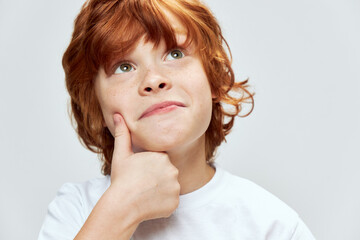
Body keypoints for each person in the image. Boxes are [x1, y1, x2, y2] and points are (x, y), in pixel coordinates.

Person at [38, 0, 316, 239]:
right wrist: (120, 208)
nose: (154, 80)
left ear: (214, 79)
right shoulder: (76, 210)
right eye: (124, 67)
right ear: (94, 106)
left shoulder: (271, 224)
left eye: (175, 53)